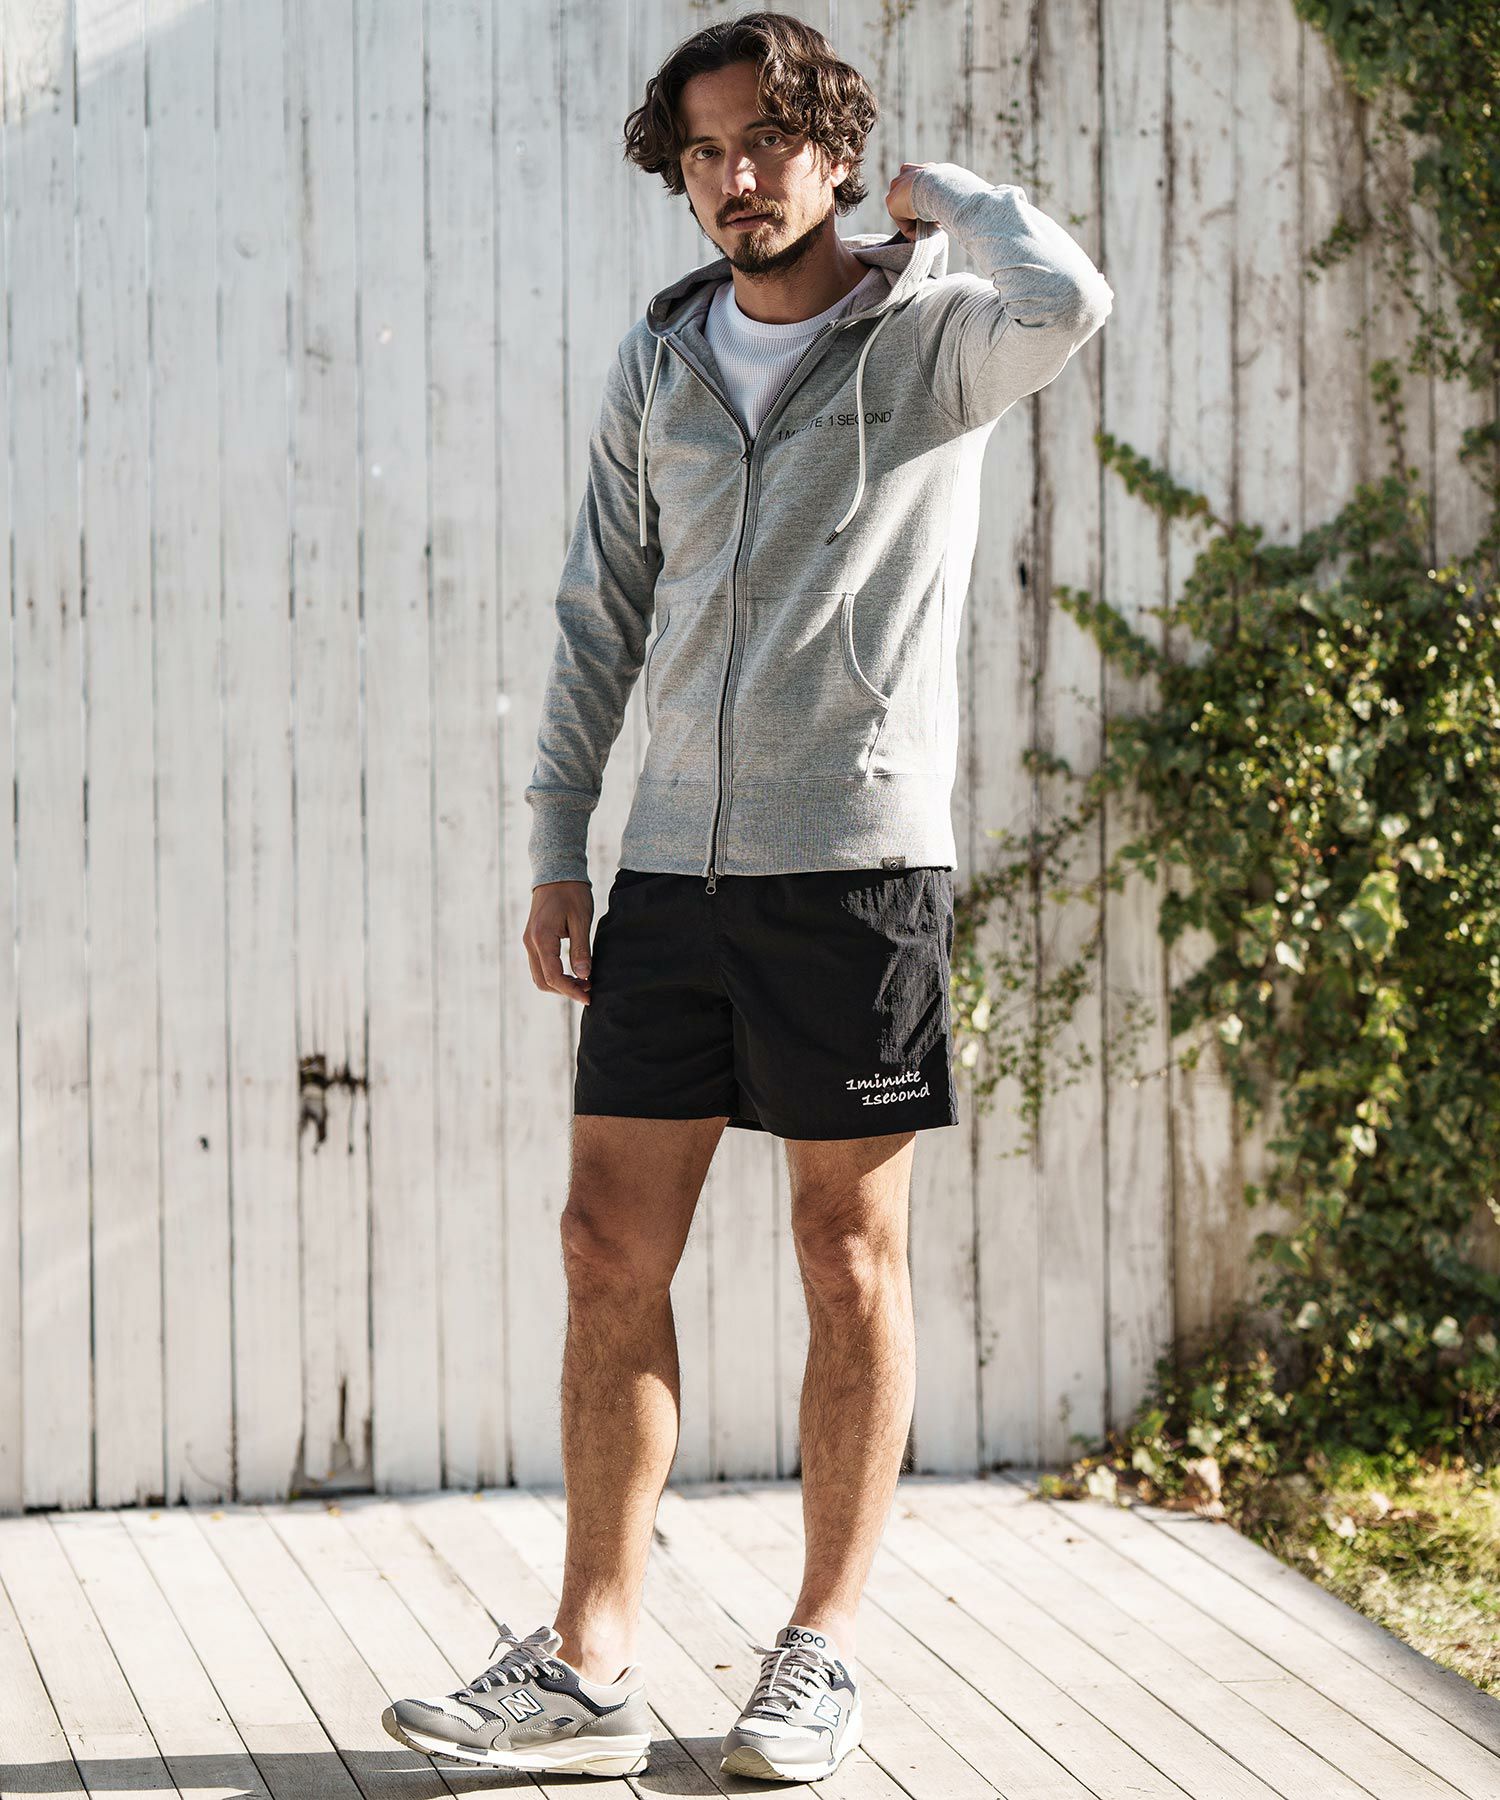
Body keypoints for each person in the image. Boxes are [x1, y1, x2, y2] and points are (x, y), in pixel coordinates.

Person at [381, 9, 1112, 1784]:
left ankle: (820, 1650)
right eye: (705, 152)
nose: (734, 179)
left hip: (854, 875)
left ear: (834, 152)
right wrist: (559, 840)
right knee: (601, 1247)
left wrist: (953, 199)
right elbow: (600, 612)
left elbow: (1071, 300)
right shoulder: (661, 360)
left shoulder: (933, 341)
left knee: (845, 1259)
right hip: (670, 874)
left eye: (766, 143)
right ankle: (589, 1656)